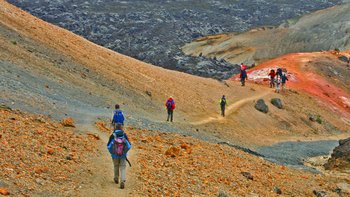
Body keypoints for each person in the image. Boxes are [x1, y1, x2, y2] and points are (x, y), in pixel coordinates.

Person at [107, 124, 131, 189]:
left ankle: (116, 178)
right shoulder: (124, 135)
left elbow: (108, 146)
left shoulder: (112, 135)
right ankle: (122, 180)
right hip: (123, 155)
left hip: (114, 155)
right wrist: (125, 152)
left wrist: (112, 153)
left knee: (116, 166)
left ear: (115, 128)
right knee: (123, 167)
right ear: (121, 128)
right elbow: (129, 146)